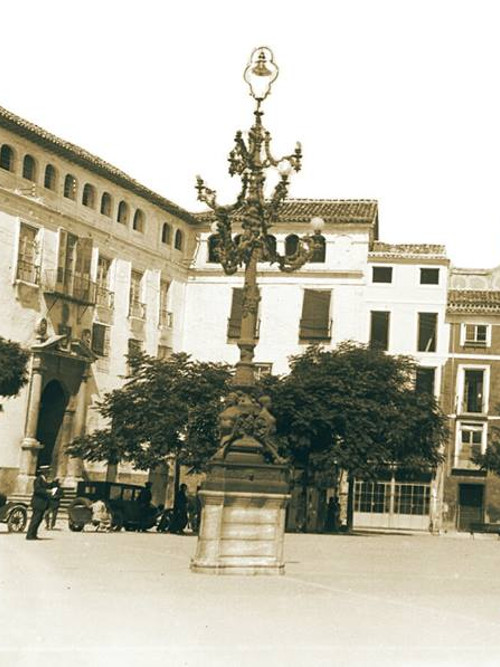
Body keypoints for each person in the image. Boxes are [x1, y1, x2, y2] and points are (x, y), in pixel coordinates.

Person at [26, 466, 51, 540]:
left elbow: (46, 487)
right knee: (35, 519)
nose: (49, 473)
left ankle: (33, 534)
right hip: (38, 503)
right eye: (47, 472)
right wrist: (47, 491)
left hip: (42, 503)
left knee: (39, 519)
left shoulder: (44, 480)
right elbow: (37, 490)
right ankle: (30, 535)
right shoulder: (38, 479)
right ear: (44, 472)